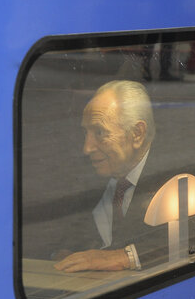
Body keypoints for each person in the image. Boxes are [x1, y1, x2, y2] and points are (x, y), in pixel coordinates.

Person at [54, 80, 167, 273]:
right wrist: (63, 254)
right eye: (85, 132)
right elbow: (70, 237)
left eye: (100, 132)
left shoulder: (174, 174)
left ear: (137, 134)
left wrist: (126, 256)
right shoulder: (92, 174)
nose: (86, 148)